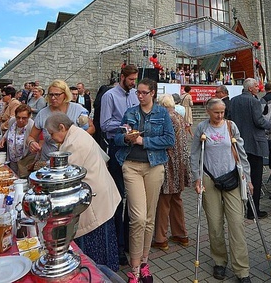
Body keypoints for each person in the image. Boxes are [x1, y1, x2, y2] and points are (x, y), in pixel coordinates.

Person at [113, 78, 174, 283]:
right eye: (137, 92)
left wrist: (143, 141)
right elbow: (117, 138)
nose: (139, 96)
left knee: (149, 218)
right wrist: (127, 138)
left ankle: (144, 263)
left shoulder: (162, 113)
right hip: (131, 166)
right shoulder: (131, 112)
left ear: (153, 93)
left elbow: (169, 140)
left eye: (144, 92)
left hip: (154, 166)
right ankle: (134, 268)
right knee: (137, 218)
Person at [45, 113, 121, 271]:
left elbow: (65, 176)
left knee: (96, 248)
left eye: (52, 133)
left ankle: (100, 275)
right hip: (100, 194)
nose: (51, 138)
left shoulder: (74, 143)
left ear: (62, 127)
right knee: (103, 241)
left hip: (95, 198)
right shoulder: (78, 134)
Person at [191, 98, 254, 283]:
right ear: (208, 111)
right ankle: (219, 261)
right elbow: (195, 154)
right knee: (215, 224)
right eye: (216, 112)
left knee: (237, 224)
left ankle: (242, 270)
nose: (220, 115)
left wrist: (248, 178)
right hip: (209, 178)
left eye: (222, 112)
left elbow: (241, 153)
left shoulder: (231, 126)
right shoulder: (202, 128)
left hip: (232, 177)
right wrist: (197, 177)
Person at [100, 64, 139, 267]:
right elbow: (105, 124)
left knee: (132, 198)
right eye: (131, 79)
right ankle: (118, 246)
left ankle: (130, 243)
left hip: (133, 149)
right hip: (116, 149)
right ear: (122, 77)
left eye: (135, 80)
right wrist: (124, 126)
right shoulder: (109, 96)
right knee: (118, 199)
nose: (134, 83)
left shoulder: (133, 95)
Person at [151, 95, 191, 251]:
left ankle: (161, 238)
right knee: (176, 199)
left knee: (164, 201)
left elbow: (163, 141)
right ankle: (181, 234)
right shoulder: (179, 116)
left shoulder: (164, 117)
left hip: (169, 162)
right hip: (180, 162)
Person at [229, 78, 271, 219]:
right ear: (250, 89)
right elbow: (259, 121)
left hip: (237, 144)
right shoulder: (254, 101)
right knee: (255, 178)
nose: (258, 88)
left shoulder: (233, 100)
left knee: (238, 176)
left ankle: (238, 208)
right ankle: (253, 211)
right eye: (256, 86)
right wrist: (270, 124)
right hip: (254, 144)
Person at [28, 80, 93, 163]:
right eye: (51, 94)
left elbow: (91, 128)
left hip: (74, 159)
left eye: (57, 94)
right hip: (49, 161)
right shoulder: (43, 113)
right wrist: (31, 143)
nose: (53, 97)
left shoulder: (78, 110)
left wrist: (77, 138)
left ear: (65, 95)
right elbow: (31, 136)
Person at [0, 104, 35, 177]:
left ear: (29, 117)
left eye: (24, 118)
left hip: (25, 160)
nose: (20, 120)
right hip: (12, 158)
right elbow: (9, 131)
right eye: (18, 117)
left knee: (22, 179)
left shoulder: (32, 125)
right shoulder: (12, 121)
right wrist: (4, 138)